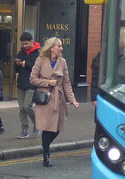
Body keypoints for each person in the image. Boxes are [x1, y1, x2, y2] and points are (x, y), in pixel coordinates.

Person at [30, 37, 80, 167]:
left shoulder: (63, 62)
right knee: (47, 128)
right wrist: (47, 82)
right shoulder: (40, 61)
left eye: (61, 46)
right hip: (45, 99)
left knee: (56, 129)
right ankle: (46, 155)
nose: (61, 48)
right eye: (59, 46)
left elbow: (66, 83)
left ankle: (45, 148)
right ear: (52, 47)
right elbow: (32, 79)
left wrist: (73, 99)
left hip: (58, 100)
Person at [14, 31, 41, 139]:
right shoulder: (21, 53)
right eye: (23, 44)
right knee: (21, 108)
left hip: (32, 84)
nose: (24, 46)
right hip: (21, 82)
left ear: (31, 42)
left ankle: (37, 124)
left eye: (26, 44)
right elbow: (17, 70)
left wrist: (26, 64)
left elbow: (38, 69)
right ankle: (24, 129)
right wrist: (17, 64)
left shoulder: (38, 54)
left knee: (27, 106)